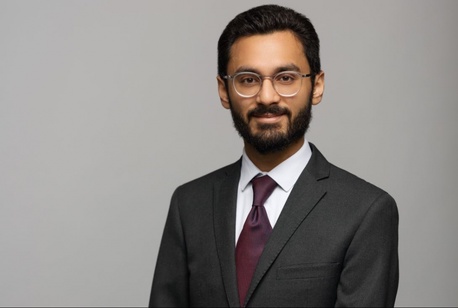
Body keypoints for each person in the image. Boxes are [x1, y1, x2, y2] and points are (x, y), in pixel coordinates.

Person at [149, 4, 398, 307]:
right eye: (248, 79)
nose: (267, 97)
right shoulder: (189, 204)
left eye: (286, 77)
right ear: (224, 90)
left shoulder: (365, 212)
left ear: (316, 86)